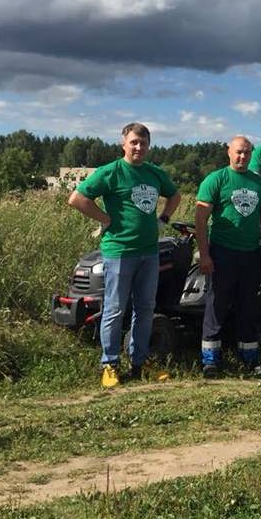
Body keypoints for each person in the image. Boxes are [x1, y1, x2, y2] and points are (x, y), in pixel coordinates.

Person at [69, 122, 180, 388]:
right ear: (124, 144)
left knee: (145, 309)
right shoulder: (111, 172)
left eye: (143, 143)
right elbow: (77, 198)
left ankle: (140, 363)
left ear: (149, 146)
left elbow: (175, 196)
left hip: (148, 252)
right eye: (134, 143)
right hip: (119, 251)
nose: (139, 148)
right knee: (115, 309)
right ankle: (110, 365)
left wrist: (163, 218)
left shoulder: (154, 173)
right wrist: (105, 218)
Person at [195, 135, 261, 378]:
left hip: (251, 254)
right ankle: (211, 360)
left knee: (248, 306)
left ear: (252, 155)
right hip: (222, 253)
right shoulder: (216, 179)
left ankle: (249, 356)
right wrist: (205, 254)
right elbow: (201, 220)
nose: (242, 157)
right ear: (228, 152)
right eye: (238, 152)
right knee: (216, 306)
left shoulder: (258, 183)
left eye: (247, 153)